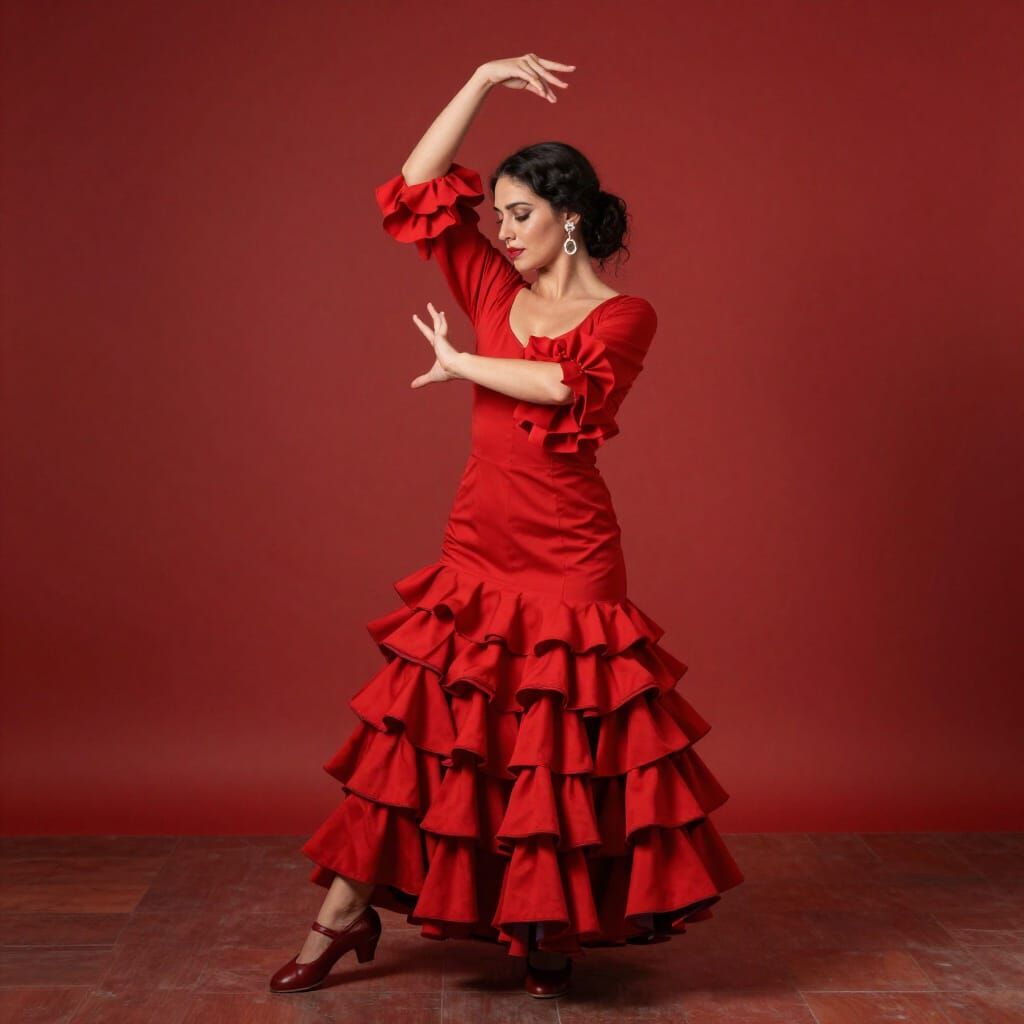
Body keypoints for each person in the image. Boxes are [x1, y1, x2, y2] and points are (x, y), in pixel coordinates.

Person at [270, 53, 744, 1000]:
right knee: (422, 731)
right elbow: (411, 189)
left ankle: (542, 925)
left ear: (568, 216)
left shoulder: (626, 315)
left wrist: (462, 369)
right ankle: (343, 913)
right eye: (495, 216)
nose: (501, 230)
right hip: (478, 543)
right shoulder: (489, 287)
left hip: (570, 553)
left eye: (518, 213)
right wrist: (482, 81)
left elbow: (561, 384)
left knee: (553, 745)